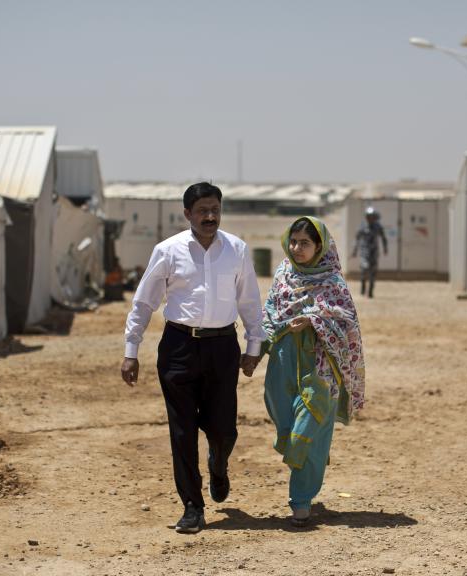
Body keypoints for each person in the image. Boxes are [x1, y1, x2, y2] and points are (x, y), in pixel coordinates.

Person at [120, 182, 265, 534]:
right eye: (202, 210)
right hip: (179, 348)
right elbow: (144, 301)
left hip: (222, 348)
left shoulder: (237, 249)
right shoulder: (168, 251)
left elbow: (249, 301)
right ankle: (192, 506)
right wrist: (131, 350)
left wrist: (254, 347)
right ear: (187, 214)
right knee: (182, 432)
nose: (210, 216)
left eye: (215, 209)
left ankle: (218, 462)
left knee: (224, 428)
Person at [260, 216, 365, 527]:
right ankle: (305, 484)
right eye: (293, 242)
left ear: (320, 246)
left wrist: (313, 321)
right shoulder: (282, 275)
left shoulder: (333, 283)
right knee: (290, 423)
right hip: (282, 363)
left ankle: (301, 502)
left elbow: (347, 324)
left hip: (321, 367)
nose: (297, 248)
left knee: (308, 427)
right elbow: (269, 313)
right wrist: (256, 350)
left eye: (304, 243)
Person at [352, 206, 387, 298]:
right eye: (368, 216)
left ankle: (370, 292)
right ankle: (363, 287)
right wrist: (355, 250)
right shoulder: (362, 226)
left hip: (374, 252)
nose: (370, 218)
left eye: (372, 216)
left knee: (373, 272)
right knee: (364, 269)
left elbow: (383, 238)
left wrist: (385, 248)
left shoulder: (378, 226)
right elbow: (357, 239)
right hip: (364, 252)